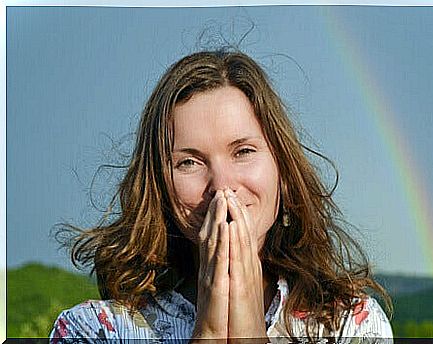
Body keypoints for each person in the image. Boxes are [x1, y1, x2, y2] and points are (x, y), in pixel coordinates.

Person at [50, 49, 393, 343]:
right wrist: (210, 332)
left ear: (283, 172)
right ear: (159, 187)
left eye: (242, 151)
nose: (222, 185)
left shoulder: (349, 325)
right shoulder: (96, 331)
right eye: (189, 162)